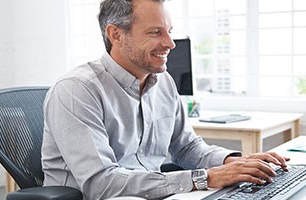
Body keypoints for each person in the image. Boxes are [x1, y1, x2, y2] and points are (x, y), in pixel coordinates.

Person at [41, 0, 290, 199]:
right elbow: (101, 184)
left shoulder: (163, 82)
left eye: (169, 32)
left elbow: (187, 147)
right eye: (155, 32)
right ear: (116, 35)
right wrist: (207, 177)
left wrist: (235, 163)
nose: (170, 43)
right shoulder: (77, 90)